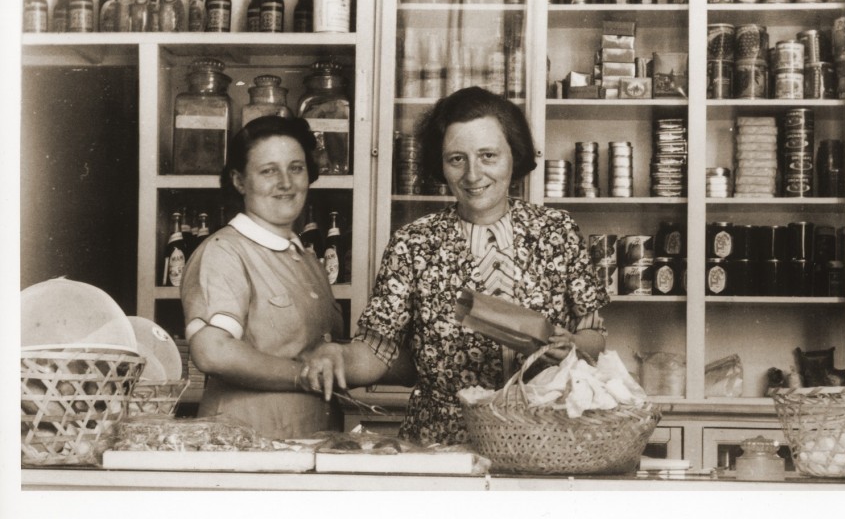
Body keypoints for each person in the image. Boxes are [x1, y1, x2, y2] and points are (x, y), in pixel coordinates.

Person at [302, 87, 610, 445]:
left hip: (545, 437)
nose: (473, 174)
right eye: (457, 159)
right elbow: (377, 349)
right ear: (441, 164)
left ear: (514, 155)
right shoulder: (413, 243)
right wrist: (335, 354)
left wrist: (572, 344)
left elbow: (595, 335)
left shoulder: (558, 231)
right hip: (442, 441)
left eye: (488, 156)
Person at [181, 116, 345, 440]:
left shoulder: (305, 258)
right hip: (247, 450)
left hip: (306, 447)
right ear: (240, 181)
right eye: (268, 170)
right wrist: (304, 375)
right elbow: (211, 351)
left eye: (296, 168)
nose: (285, 182)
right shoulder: (224, 251)